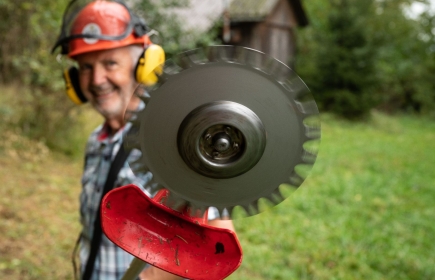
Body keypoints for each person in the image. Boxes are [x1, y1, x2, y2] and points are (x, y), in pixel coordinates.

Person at [52, 1, 236, 279]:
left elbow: (215, 247)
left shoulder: (174, 139)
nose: (97, 79)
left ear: (144, 66)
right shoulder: (97, 139)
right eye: (86, 67)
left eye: (110, 63)